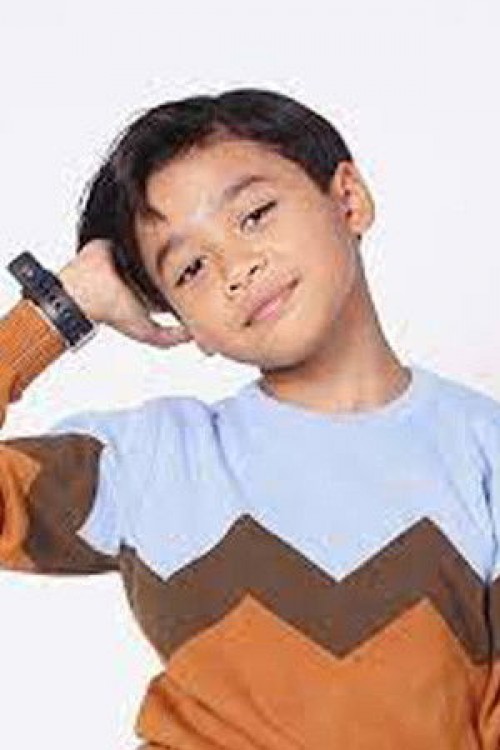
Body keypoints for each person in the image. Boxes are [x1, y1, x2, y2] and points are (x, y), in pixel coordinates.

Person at [1, 87, 500, 749]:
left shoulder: (484, 450)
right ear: (188, 326)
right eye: (191, 269)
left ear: (348, 199)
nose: (236, 269)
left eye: (255, 215)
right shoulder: (152, 459)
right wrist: (54, 313)